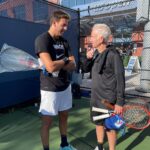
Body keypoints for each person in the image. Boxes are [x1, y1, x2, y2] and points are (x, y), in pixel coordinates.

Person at [35, 10, 76, 150]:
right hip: (49, 89)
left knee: (64, 116)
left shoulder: (64, 41)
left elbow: (73, 65)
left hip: (65, 86)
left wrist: (60, 62)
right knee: (47, 122)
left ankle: (64, 145)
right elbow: (50, 67)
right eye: (63, 25)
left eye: (67, 25)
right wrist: (65, 60)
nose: (66, 28)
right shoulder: (42, 40)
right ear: (54, 23)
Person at [82, 24, 125, 150]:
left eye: (93, 36)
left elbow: (120, 78)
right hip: (96, 98)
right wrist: (88, 58)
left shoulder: (113, 55)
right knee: (98, 123)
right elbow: (84, 69)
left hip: (108, 100)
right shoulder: (95, 53)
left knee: (110, 127)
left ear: (101, 39)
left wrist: (120, 102)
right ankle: (100, 147)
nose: (90, 39)